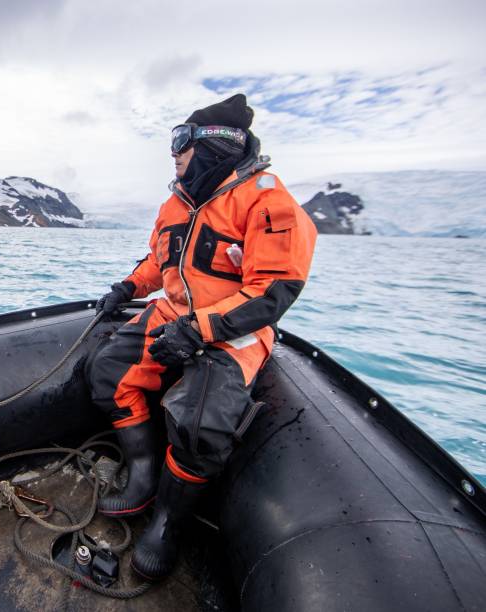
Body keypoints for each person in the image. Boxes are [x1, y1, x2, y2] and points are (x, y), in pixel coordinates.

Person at [87, 93, 317, 580]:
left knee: (200, 426)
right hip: (172, 312)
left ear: (215, 144)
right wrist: (129, 286)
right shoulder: (175, 202)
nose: (174, 154)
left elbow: (273, 291)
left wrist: (199, 330)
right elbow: (159, 261)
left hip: (232, 331)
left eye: (181, 141)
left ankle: (168, 522)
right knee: (108, 371)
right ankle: (144, 470)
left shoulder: (267, 199)